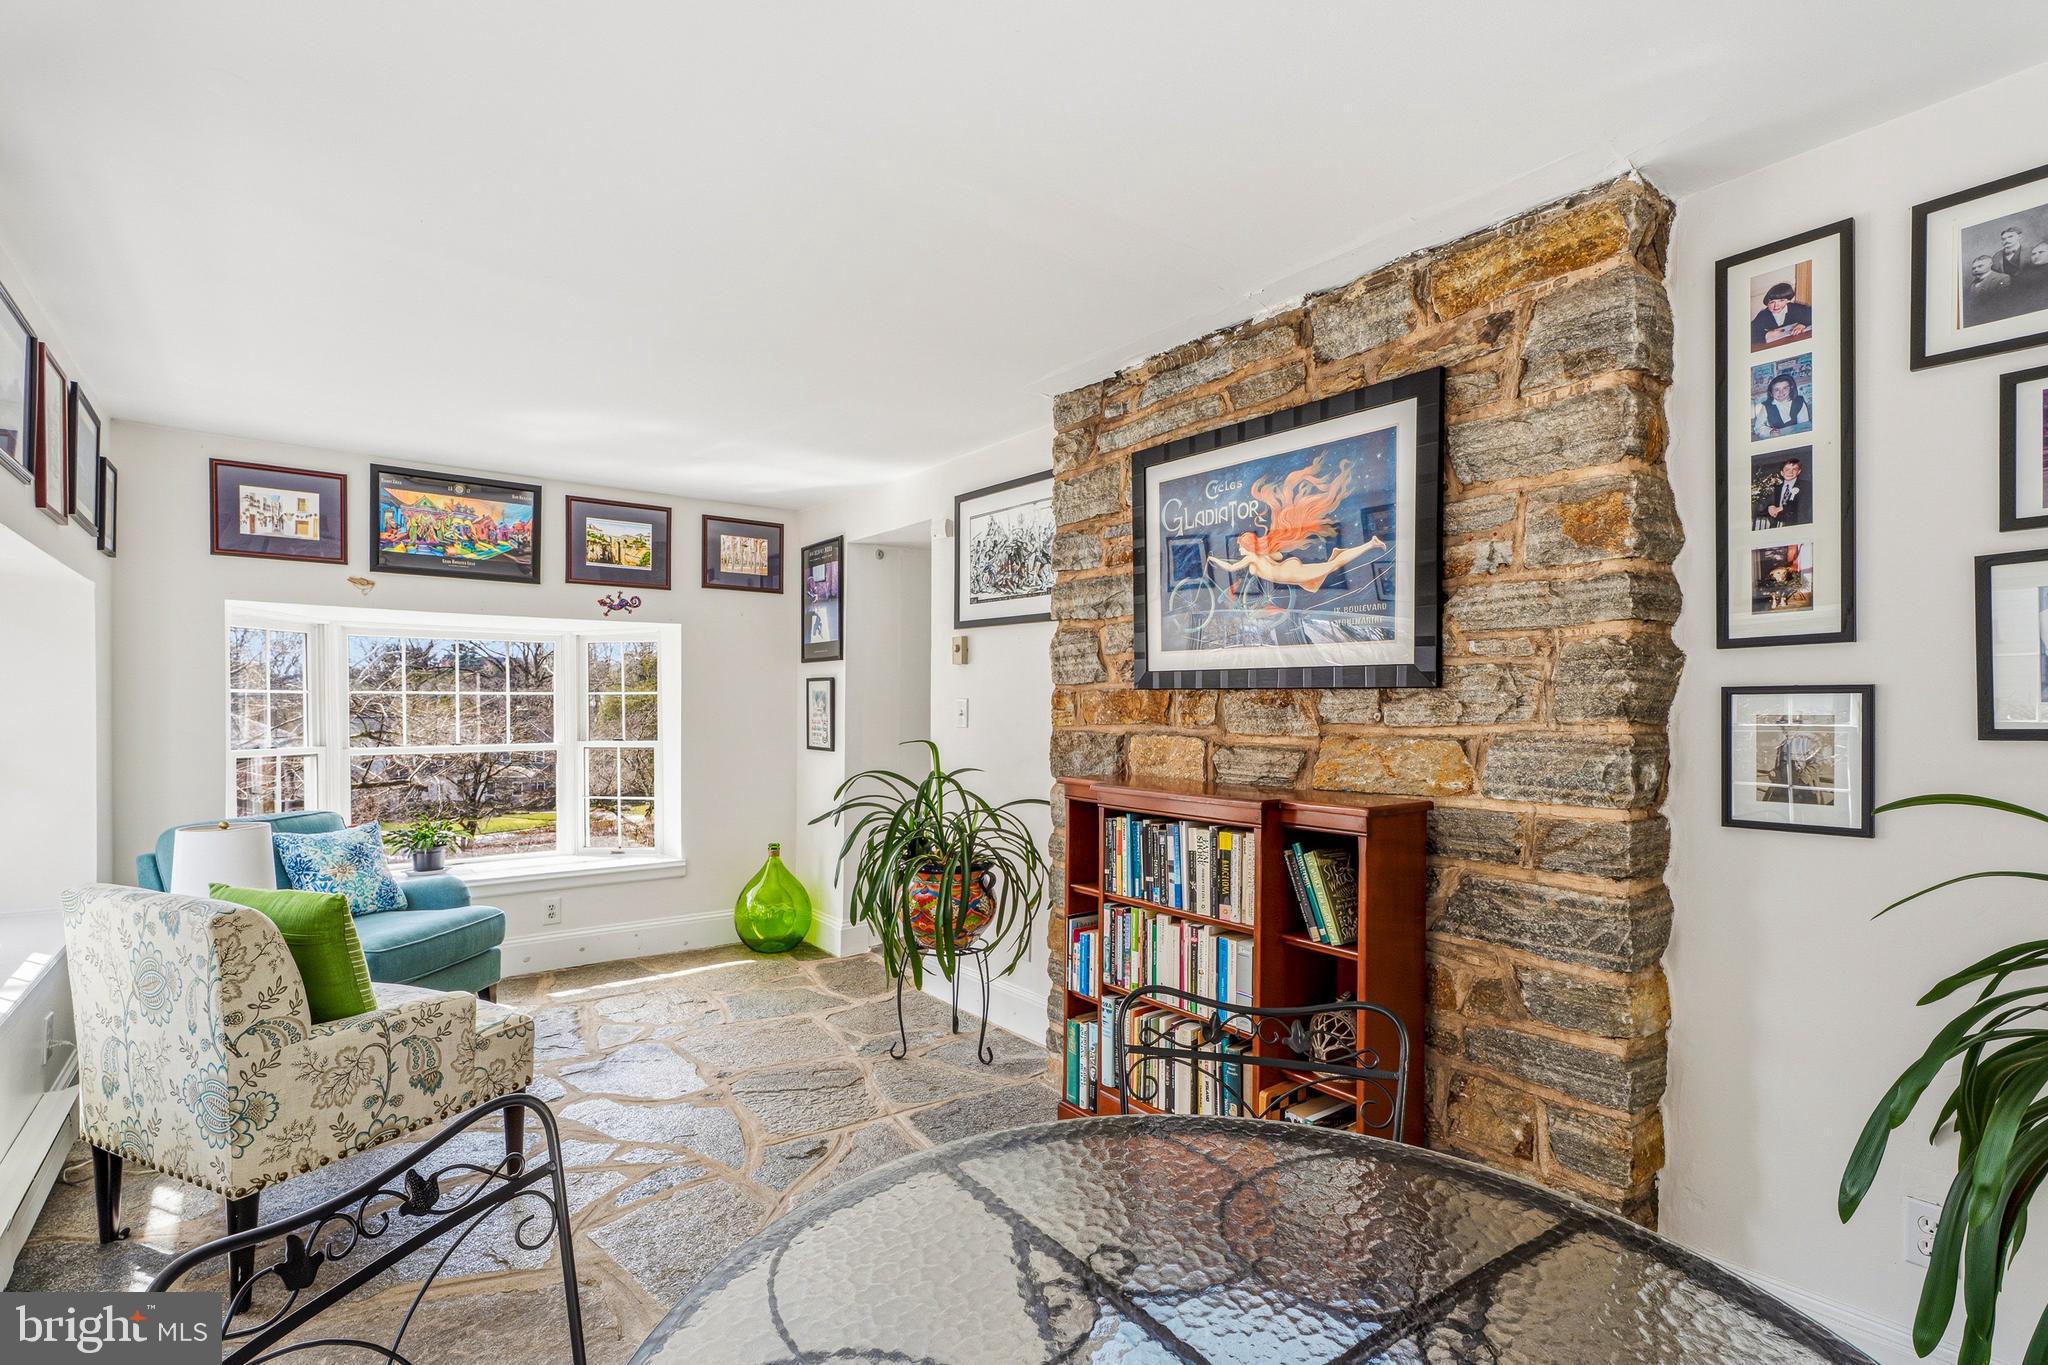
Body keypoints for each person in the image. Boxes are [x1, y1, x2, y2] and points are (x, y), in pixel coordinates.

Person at [1207, 455, 1385, 595]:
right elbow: (1275, 557)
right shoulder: (1260, 556)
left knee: (1334, 565)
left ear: (1247, 546)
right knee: (1333, 565)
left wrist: (1212, 559)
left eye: (1240, 547)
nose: (1239, 551)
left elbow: (1231, 567)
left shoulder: (1252, 558)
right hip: (1291, 572)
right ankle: (1370, 544)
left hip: (1293, 573)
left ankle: (1371, 544)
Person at [1751, 280, 1813, 349]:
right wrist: (1767, 335)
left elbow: (1813, 314)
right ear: (1767, 303)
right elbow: (1750, 333)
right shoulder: (1763, 315)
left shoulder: (1794, 308)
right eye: (1772, 302)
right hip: (1776, 347)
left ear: (1788, 300)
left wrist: (1803, 324)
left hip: (1795, 343)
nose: (1776, 306)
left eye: (1782, 300)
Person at [1750, 372, 1811, 439]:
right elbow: (1758, 428)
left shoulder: (1799, 402)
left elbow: (1804, 425)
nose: (1781, 392)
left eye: (1785, 388)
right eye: (1776, 390)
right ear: (1771, 393)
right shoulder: (1766, 406)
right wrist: (1769, 432)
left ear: (1790, 388)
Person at [1752, 457, 1808, 529]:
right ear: (1782, 472)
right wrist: (1769, 507)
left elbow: (1803, 506)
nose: (1790, 472)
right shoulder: (1775, 488)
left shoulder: (1806, 486)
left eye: (1794, 469)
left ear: (1799, 471)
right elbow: (1761, 508)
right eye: (1787, 469)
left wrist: (1782, 508)